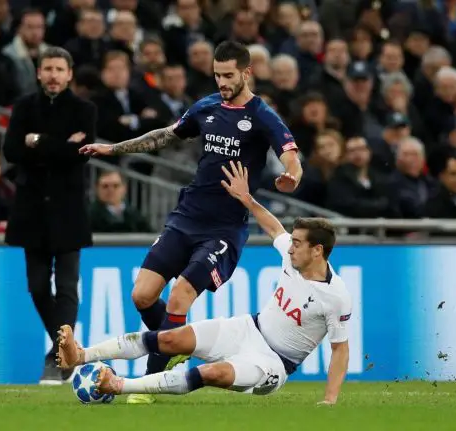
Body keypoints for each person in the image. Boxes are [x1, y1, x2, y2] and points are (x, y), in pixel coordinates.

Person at [80, 40, 303, 404]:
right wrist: (114, 148)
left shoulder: (263, 116)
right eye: (217, 75)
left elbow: (291, 155)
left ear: (247, 73)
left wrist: (291, 176)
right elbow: (165, 136)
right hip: (186, 217)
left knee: (181, 293)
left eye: (228, 75)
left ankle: (150, 381)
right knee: (142, 295)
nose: (222, 82)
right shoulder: (207, 106)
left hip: (224, 229)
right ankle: (176, 346)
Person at [56, 161, 350, 404]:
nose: (290, 248)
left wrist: (330, 399)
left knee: (212, 373)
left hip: (273, 362)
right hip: (248, 328)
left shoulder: (335, 296)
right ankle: (80, 355)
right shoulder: (292, 257)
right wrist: (246, 198)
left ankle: (119, 385)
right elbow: (274, 228)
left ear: (317, 251)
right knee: (170, 339)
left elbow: (340, 349)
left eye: (297, 244)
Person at [3, 46, 97, 384]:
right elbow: (11, 150)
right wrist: (60, 145)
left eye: (59, 69)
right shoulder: (24, 107)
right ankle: (65, 349)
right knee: (38, 286)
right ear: (39, 73)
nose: (53, 75)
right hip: (31, 210)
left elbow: (81, 153)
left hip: (68, 210)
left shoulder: (84, 109)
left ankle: (58, 357)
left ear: (69, 74)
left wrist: (38, 141)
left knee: (67, 286)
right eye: (48, 69)